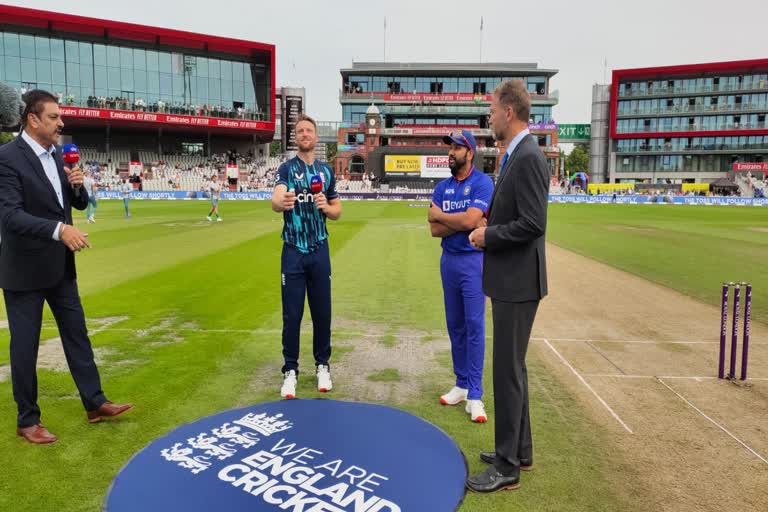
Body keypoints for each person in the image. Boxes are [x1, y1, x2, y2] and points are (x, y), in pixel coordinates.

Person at [0, 90, 133, 445]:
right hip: (24, 271)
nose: (62, 123)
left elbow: (69, 203)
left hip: (60, 268)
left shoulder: (59, 154)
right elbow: (10, 216)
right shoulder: (7, 158)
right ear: (33, 119)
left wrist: (78, 187)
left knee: (77, 335)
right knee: (25, 347)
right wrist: (60, 230)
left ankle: (95, 403)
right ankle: (27, 420)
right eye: (54, 117)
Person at [467, 80, 549, 492]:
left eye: (493, 110)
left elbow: (534, 223)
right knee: (514, 368)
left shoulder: (529, 157)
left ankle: (507, 465)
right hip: (512, 278)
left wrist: (488, 236)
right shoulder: (516, 154)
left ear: (510, 112)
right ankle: (522, 450)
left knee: (507, 372)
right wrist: (492, 224)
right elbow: (518, 215)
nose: (491, 117)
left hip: (518, 281)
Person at [271, 114, 342, 399]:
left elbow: (338, 211)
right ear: (296, 137)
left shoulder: (326, 172)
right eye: (299, 130)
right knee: (293, 315)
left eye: (309, 130)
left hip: (319, 249)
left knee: (322, 312)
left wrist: (326, 206)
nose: (304, 134)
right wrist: (281, 201)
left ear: (315, 136)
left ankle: (322, 365)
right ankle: (290, 370)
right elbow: (276, 199)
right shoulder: (287, 168)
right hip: (293, 250)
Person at [428, 129, 493, 423]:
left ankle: (476, 396)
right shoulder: (442, 187)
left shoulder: (482, 183)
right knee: (455, 326)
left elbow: (470, 220)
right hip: (448, 261)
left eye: (456, 148)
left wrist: (445, 216)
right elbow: (434, 229)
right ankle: (462, 384)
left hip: (473, 263)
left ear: (470, 152)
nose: (450, 153)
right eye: (449, 148)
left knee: (474, 326)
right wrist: (463, 221)